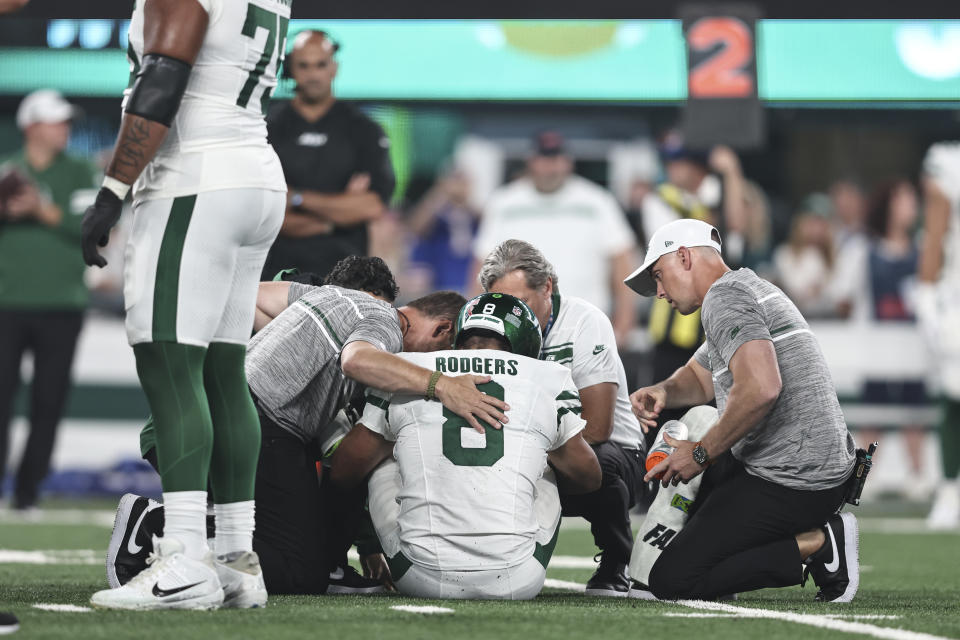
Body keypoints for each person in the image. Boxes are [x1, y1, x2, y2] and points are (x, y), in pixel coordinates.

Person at [103, 257, 493, 597]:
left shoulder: (327, 296)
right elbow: (358, 361)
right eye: (442, 353)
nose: (432, 361)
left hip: (230, 408)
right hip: (264, 420)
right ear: (442, 330)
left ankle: (311, 554)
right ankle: (154, 526)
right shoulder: (385, 322)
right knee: (301, 569)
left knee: (305, 535)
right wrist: (440, 384)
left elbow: (250, 297)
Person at [81, 0, 294, 610]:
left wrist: (111, 191)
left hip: (193, 176)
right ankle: (235, 559)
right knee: (224, 372)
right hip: (253, 172)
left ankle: (183, 557)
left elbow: (163, 81)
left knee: (171, 367)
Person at [625, 218, 859, 603]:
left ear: (684, 256)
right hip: (810, 468)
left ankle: (819, 544)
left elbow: (762, 388)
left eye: (659, 277)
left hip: (795, 480)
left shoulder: (725, 298)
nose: (660, 292)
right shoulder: (744, 288)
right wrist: (663, 389)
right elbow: (701, 378)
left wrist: (700, 454)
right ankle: (733, 557)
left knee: (673, 580)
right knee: (700, 530)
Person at [330, 292, 602, 600]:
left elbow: (344, 471)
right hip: (517, 578)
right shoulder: (546, 378)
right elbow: (589, 478)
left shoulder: (411, 368)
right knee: (549, 462)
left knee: (383, 454)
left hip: (418, 576)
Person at [478, 239, 645, 596]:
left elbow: (599, 428)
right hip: (526, 444)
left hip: (609, 451)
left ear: (548, 287)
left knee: (600, 461)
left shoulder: (585, 322)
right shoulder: (485, 325)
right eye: (504, 305)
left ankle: (618, 558)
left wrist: (530, 443)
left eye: (521, 303)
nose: (512, 317)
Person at [0, 89, 98, 511]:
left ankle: (27, 492)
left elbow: (90, 226)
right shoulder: (6, 173)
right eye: (56, 121)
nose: (65, 129)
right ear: (31, 127)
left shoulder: (80, 171)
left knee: (48, 401)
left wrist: (40, 210)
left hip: (63, 303)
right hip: (6, 302)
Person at [469, 131, 637, 346]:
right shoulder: (503, 203)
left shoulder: (597, 202)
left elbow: (622, 263)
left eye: (556, 159)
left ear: (568, 162)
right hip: (515, 330)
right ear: (531, 161)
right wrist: (475, 327)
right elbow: (481, 267)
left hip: (585, 328)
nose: (550, 167)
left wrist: (623, 325)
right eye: (544, 159)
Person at [260, 29, 395, 281]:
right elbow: (265, 213)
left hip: (346, 278)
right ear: (290, 69)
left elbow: (372, 205)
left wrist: (296, 198)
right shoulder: (266, 127)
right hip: (274, 274)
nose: (313, 75)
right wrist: (339, 215)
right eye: (304, 66)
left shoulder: (362, 129)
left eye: (320, 65)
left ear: (334, 68)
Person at [857, 179, 927, 498]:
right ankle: (861, 480)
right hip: (876, 349)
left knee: (915, 414)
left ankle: (919, 477)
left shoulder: (923, 251)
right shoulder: (864, 252)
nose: (912, 207)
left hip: (913, 349)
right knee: (872, 415)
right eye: (905, 200)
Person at [917, 141, 960, 529]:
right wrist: (928, 295)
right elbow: (935, 232)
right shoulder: (949, 162)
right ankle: (949, 491)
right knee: (955, 394)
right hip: (957, 296)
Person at [407, 167, 480, 294]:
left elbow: (486, 222)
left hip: (468, 284)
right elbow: (415, 227)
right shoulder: (437, 213)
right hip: (438, 285)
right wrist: (441, 192)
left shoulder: (471, 215)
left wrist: (464, 199)